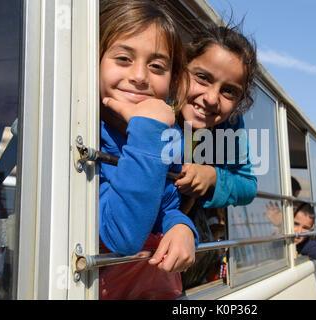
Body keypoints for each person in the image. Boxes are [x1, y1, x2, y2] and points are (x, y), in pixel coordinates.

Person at [98, 0, 198, 274]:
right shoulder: (77, 131)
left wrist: (180, 226)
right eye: (123, 59)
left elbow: (165, 204)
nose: (140, 76)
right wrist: (148, 131)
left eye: (156, 66)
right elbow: (121, 237)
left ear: (172, 80)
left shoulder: (166, 137)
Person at [172, 23, 259, 288]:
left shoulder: (229, 124)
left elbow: (247, 185)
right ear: (180, 69)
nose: (211, 98)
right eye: (202, 77)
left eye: (229, 91)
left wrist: (213, 177)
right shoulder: (152, 99)